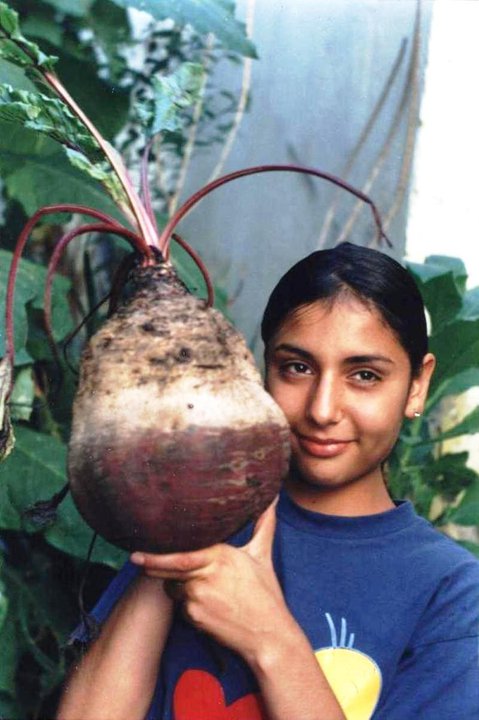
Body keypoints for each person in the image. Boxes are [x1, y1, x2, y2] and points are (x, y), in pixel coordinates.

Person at [57, 242, 479, 720]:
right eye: (296, 368)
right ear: (258, 369)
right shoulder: (200, 518)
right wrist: (182, 535)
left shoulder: (451, 592)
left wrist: (268, 637)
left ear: (417, 385)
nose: (322, 409)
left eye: (364, 375)